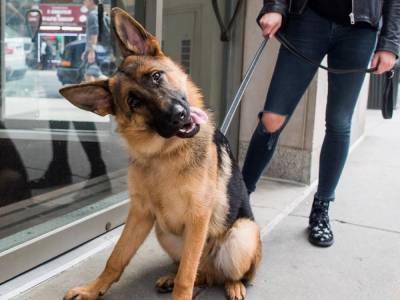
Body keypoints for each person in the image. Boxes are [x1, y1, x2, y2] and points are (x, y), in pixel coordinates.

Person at [242, 0, 399, 247]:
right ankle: (240, 199)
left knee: (339, 122)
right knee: (272, 118)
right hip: (309, 18)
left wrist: (389, 43)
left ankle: (321, 208)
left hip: (360, 31)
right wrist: (275, 6)